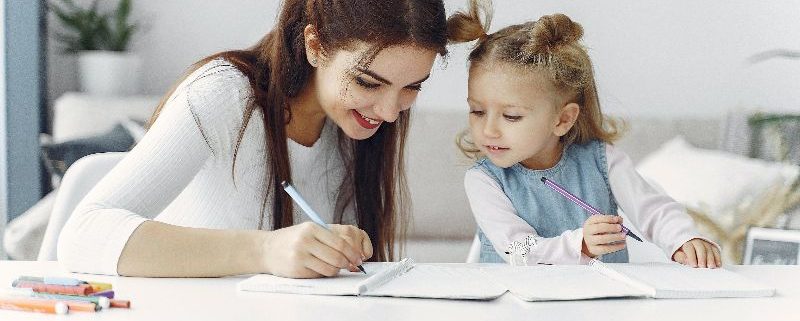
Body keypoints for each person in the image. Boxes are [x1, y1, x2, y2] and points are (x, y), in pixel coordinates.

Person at [57, 0, 448, 278]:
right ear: (315, 46)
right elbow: (83, 235)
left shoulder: (356, 124)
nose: (390, 111)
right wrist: (265, 249)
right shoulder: (223, 95)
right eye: (367, 82)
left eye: (412, 87)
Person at [448, 0, 721, 267]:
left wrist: (685, 239)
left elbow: (652, 209)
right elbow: (516, 247)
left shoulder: (603, 162)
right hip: (515, 306)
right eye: (477, 112)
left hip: (600, 305)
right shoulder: (483, 180)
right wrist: (580, 245)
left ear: (563, 119)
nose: (489, 129)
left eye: (511, 116)